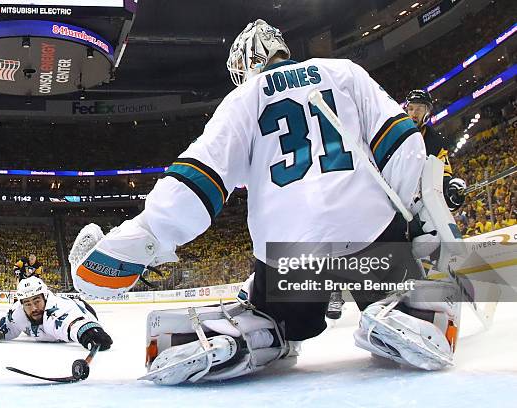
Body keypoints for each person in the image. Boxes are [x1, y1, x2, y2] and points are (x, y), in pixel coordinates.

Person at [69, 19, 459, 384]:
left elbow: (200, 177)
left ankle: (252, 335)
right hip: (369, 233)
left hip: (290, 251)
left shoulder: (244, 99)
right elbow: (402, 142)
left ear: (246, 64)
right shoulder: (345, 71)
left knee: (275, 316)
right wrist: (416, 210)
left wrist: (145, 236)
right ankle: (409, 312)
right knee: (397, 284)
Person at [0, 276, 112, 351]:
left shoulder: (56, 309)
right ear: (22, 305)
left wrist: (87, 332)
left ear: (45, 297)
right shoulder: (18, 313)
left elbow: (72, 322)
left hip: (82, 308)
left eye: (37, 301)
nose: (33, 308)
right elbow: (1, 327)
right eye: (27, 303)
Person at [405, 89, 466, 211]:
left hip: (420, 204)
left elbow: (443, 175)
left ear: (427, 113)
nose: (414, 114)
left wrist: (450, 188)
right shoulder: (395, 134)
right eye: (411, 109)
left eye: (419, 109)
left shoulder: (436, 142)